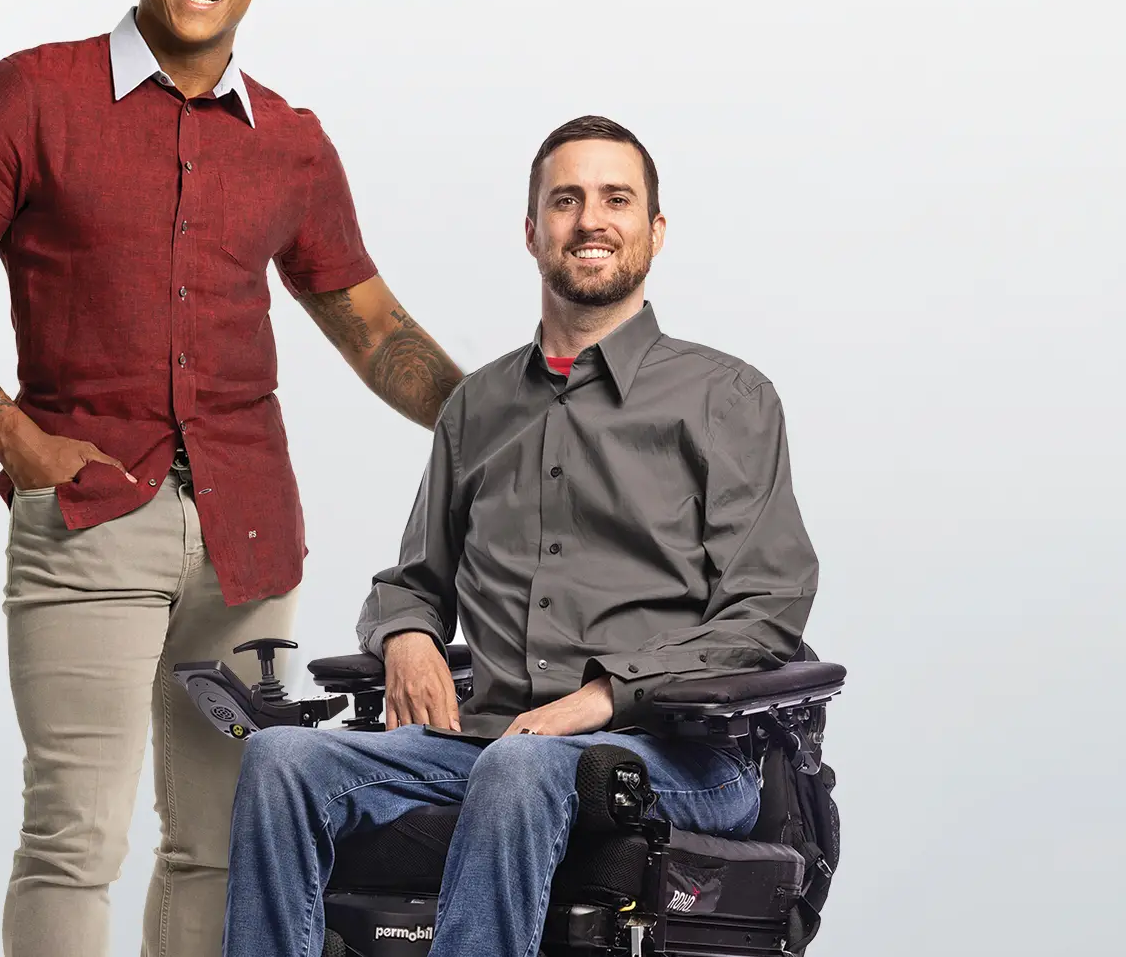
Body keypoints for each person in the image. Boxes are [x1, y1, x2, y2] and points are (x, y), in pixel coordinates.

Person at [0, 0, 463, 957]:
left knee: (224, 838)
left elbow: (374, 330)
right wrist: (15, 438)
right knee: (73, 839)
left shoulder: (290, 140)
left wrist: (499, 418)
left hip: (249, 541)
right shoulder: (28, 96)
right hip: (91, 518)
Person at [221, 115, 821, 957]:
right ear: (533, 230)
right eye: (566, 199)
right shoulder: (479, 408)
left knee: (522, 764)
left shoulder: (725, 398)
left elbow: (766, 612)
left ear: (654, 231)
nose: (590, 220)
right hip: (497, 736)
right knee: (282, 760)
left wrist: (602, 698)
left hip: (675, 754)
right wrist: (406, 636)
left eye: (617, 198)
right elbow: (412, 582)